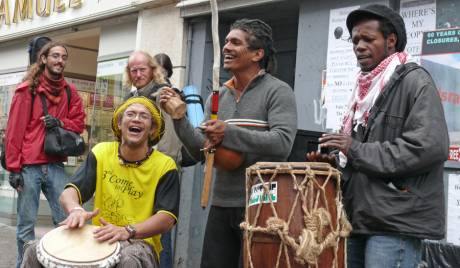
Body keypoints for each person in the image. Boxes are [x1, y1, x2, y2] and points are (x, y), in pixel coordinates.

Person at [310, 5, 449, 267]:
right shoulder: (362, 91)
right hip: (359, 218)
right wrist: (334, 168)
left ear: (391, 41)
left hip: (395, 222)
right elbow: (362, 159)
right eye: (355, 40)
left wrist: (354, 149)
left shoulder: (415, 81)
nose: (359, 46)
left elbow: (429, 146)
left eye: (368, 39)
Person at [160, 18, 297, 268]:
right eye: (226, 42)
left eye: (235, 42)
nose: (226, 47)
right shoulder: (217, 96)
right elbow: (202, 151)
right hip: (222, 202)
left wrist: (228, 132)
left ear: (258, 53)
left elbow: (282, 143)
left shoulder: (278, 91)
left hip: (264, 205)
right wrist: (178, 118)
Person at [21, 96, 180, 267]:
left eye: (143, 116)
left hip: (138, 241)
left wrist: (128, 231)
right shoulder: (101, 152)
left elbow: (166, 218)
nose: (136, 119)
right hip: (99, 236)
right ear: (120, 124)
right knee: (33, 251)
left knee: (128, 260)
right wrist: (75, 210)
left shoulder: (165, 165)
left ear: (152, 129)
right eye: (131, 114)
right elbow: (69, 193)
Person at [4, 41, 86, 268]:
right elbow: (14, 132)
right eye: (55, 56)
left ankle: (64, 263)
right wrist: (13, 169)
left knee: (66, 219)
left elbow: (79, 123)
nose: (60, 61)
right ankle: (24, 264)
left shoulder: (70, 92)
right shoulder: (27, 90)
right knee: (26, 225)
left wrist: (60, 121)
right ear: (43, 59)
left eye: (64, 57)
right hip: (29, 166)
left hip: (56, 164)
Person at [124, 51, 183, 165]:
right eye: (134, 71)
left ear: (152, 70)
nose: (138, 75)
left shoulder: (164, 94)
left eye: (142, 69)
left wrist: (162, 169)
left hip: (157, 167)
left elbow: (170, 142)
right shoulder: (131, 97)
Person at [153, 52, 175, 268]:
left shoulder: (165, 94)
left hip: (162, 164)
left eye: (158, 70)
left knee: (162, 223)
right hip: (165, 162)